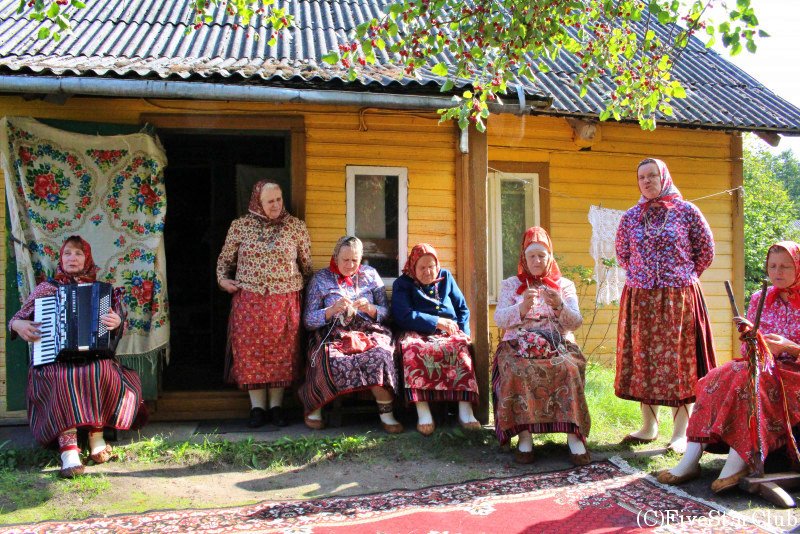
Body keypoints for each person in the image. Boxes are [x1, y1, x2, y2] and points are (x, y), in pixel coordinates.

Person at [658, 241, 800, 493]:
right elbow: (747, 352)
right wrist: (752, 340)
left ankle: (738, 460)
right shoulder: (760, 298)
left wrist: (790, 347)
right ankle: (691, 458)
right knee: (717, 376)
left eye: (785, 267)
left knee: (750, 380)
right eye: (772, 266)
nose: (777, 272)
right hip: (761, 365)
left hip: (794, 371)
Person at [8, 235, 147, 478]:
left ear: (87, 258)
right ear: (61, 259)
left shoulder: (102, 290)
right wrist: (18, 325)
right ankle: (69, 450)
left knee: (101, 370)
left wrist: (117, 322)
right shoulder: (46, 289)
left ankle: (96, 438)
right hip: (54, 360)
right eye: (67, 253)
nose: (73, 258)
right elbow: (16, 319)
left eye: (79, 253)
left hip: (92, 356)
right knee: (61, 377)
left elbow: (119, 325)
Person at [614, 158, 716, 453]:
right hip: (641, 297)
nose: (646, 181)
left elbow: (706, 251)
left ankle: (681, 432)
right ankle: (648, 427)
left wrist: (679, 276)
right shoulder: (631, 217)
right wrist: (645, 276)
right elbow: (622, 254)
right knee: (644, 359)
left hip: (678, 298)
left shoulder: (687, 211)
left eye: (652, 175)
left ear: (664, 178)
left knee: (679, 362)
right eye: (641, 177)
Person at [217, 180, 312, 428]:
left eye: (279, 199)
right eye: (270, 201)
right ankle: (257, 408)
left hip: (284, 301)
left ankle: (277, 407)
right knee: (251, 353)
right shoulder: (240, 226)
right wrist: (223, 281)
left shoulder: (295, 227)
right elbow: (224, 261)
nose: (276, 205)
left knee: (283, 353)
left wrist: (303, 292)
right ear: (257, 202)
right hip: (249, 301)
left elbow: (306, 265)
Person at [492, 227, 592, 465]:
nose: (537, 260)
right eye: (532, 256)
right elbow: (499, 319)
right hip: (518, 343)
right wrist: (521, 308)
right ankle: (524, 436)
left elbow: (575, 322)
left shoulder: (564, 285)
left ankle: (573, 436)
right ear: (524, 258)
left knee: (568, 368)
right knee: (517, 369)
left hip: (558, 343)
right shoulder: (511, 285)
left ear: (549, 257)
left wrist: (559, 306)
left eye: (541, 255)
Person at [298, 236, 403, 433]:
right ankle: (316, 407)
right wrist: (330, 310)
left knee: (381, 354)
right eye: (345, 260)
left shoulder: (370, 275)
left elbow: (387, 313)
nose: (350, 265)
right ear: (335, 257)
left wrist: (371, 308)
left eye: (355, 260)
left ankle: (386, 413)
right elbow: (308, 320)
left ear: (361, 259)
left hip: (369, 331)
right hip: (333, 333)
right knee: (327, 357)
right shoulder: (320, 279)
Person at [391, 243, 480, 435]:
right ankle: (423, 411)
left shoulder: (446, 277)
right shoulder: (403, 284)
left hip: (449, 330)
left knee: (461, 349)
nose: (428, 271)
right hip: (416, 331)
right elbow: (402, 315)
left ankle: (465, 410)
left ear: (437, 265)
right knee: (414, 350)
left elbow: (462, 309)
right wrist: (437, 322)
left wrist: (463, 332)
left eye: (431, 266)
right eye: (422, 267)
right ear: (413, 266)